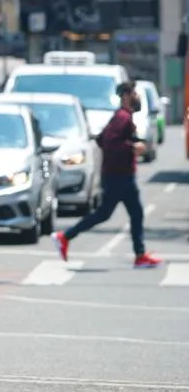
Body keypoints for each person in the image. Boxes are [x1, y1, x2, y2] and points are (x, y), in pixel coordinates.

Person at [53, 82, 162, 269]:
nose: (137, 97)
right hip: (120, 177)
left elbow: (102, 139)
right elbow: (111, 143)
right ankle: (66, 236)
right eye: (134, 93)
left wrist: (133, 142)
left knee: (114, 213)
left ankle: (139, 254)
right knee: (130, 213)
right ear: (126, 96)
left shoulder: (121, 117)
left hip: (117, 175)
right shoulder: (122, 118)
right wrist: (132, 148)